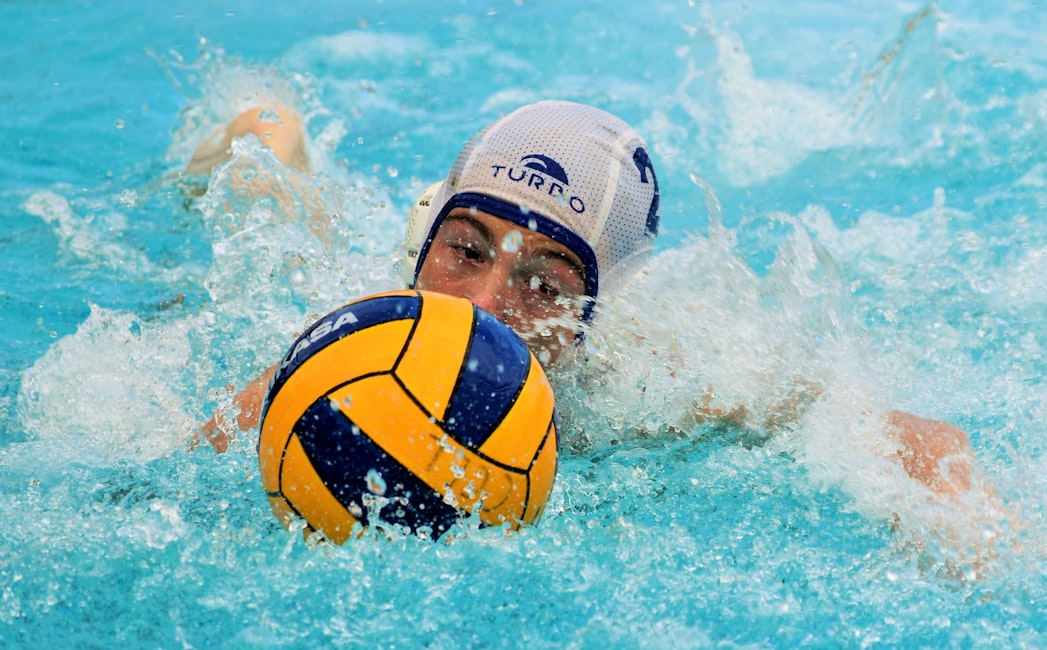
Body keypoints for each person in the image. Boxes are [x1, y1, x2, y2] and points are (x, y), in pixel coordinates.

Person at [195, 99, 974, 497]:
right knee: (268, 174)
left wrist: (957, 517)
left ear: (596, 313)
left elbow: (902, 432)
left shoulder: (651, 385)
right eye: (463, 249)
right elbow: (167, 473)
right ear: (428, 240)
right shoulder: (353, 351)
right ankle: (273, 130)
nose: (483, 306)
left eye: (546, 285)